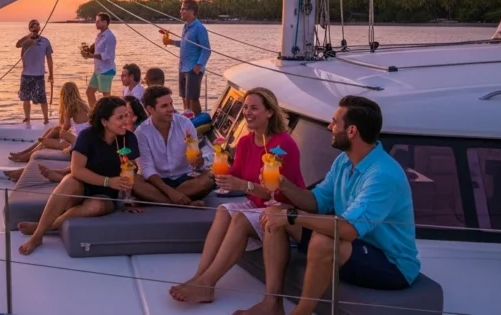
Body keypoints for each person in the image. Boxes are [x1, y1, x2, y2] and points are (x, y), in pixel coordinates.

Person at [235, 96, 420, 315]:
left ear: (351, 131)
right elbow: (315, 202)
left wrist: (293, 217)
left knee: (323, 241)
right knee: (275, 213)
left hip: (390, 263)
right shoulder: (344, 161)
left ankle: (301, 312)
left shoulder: (382, 175)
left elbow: (348, 229)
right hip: (352, 243)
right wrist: (284, 185)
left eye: (334, 122)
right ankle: (272, 303)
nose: (329, 126)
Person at [170, 88, 304, 304]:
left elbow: (277, 192)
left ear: (270, 112)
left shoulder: (283, 144)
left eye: (254, 108)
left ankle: (207, 284)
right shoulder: (245, 142)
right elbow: (235, 175)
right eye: (245, 108)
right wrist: (213, 169)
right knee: (224, 211)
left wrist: (245, 185)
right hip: (257, 204)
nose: (247, 113)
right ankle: (200, 277)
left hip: (282, 209)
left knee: (240, 218)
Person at [18, 96, 142, 255]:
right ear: (104, 121)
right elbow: (77, 170)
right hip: (82, 186)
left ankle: (45, 226)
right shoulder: (87, 137)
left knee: (98, 206)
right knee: (69, 181)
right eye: (120, 117)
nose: (126, 120)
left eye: (127, 115)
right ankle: (38, 236)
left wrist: (128, 200)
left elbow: (129, 170)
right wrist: (108, 181)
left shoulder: (128, 139)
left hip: (106, 195)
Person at [133, 85, 214, 208]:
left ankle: (161, 200)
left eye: (171, 103)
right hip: (157, 182)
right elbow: (147, 169)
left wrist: (199, 161)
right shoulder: (141, 132)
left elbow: (195, 158)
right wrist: (170, 192)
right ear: (150, 109)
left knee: (208, 178)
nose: (171, 109)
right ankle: (184, 202)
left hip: (185, 178)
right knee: (133, 181)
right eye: (164, 106)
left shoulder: (185, 124)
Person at [5, 82, 90, 179]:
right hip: (82, 139)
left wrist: (61, 128)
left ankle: (26, 155)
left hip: (78, 142)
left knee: (49, 139)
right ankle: (26, 153)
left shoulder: (70, 108)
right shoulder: (84, 105)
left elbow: (65, 128)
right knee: (54, 130)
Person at [163, 0, 211, 115]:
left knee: (192, 98)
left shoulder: (199, 28)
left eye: (183, 9)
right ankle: (187, 121)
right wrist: (171, 42)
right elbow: (186, 44)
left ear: (191, 11)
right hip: (183, 67)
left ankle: (197, 123)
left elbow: (207, 49)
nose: (180, 11)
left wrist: (199, 65)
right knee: (184, 97)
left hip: (193, 68)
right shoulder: (186, 26)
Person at [16, 19, 54, 124]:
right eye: (33, 24)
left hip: (39, 74)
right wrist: (29, 36)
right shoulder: (26, 41)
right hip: (26, 74)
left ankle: (46, 119)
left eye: (37, 24)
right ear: (29, 27)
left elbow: (49, 58)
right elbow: (17, 44)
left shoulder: (45, 41)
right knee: (25, 97)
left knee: (42, 97)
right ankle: (27, 117)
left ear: (40, 27)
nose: (35, 26)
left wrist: (51, 74)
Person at [83, 12, 116, 107]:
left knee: (106, 97)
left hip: (106, 70)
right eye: (96, 21)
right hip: (98, 70)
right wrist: (87, 51)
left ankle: (110, 115)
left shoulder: (109, 36)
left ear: (105, 22)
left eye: (98, 21)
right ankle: (94, 114)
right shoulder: (99, 36)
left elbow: (107, 55)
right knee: (89, 92)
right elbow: (96, 49)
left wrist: (92, 56)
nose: (96, 23)